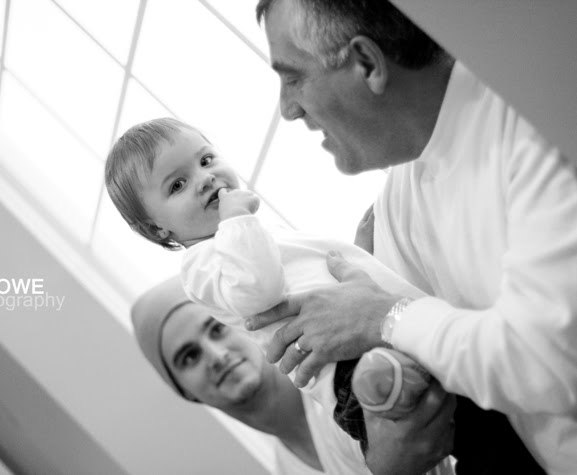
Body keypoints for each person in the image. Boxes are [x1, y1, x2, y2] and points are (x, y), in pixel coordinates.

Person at [105, 118, 540, 474]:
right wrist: (238, 221)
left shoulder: (246, 240)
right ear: (157, 229)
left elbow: (306, 278)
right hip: (350, 369)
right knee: (468, 427)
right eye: (177, 185)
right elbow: (258, 286)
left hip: (377, 340)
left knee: (485, 418)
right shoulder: (206, 262)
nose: (204, 180)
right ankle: (384, 388)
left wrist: (362, 255)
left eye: (205, 160)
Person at [251, 1, 577, 474]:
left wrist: (384, 316)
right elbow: (395, 356)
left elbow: (545, 365)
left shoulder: (534, 119)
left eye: (293, 77)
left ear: (367, 63)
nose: (287, 108)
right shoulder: (398, 203)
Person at [130, 275, 456, 474]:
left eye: (217, 330)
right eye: (189, 357)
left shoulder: (339, 374)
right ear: (184, 391)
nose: (216, 356)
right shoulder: (288, 469)